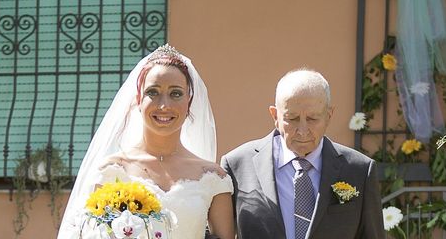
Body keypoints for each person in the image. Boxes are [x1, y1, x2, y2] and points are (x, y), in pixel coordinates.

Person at [57, 44, 235, 239]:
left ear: (189, 102)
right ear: (138, 100)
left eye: (176, 93)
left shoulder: (213, 178)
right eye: (153, 92)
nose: (164, 105)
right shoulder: (110, 170)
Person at [221, 69, 385, 239]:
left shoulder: (359, 170)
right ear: (275, 115)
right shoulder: (237, 165)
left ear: (329, 116)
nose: (302, 130)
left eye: (313, 119)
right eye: (292, 119)